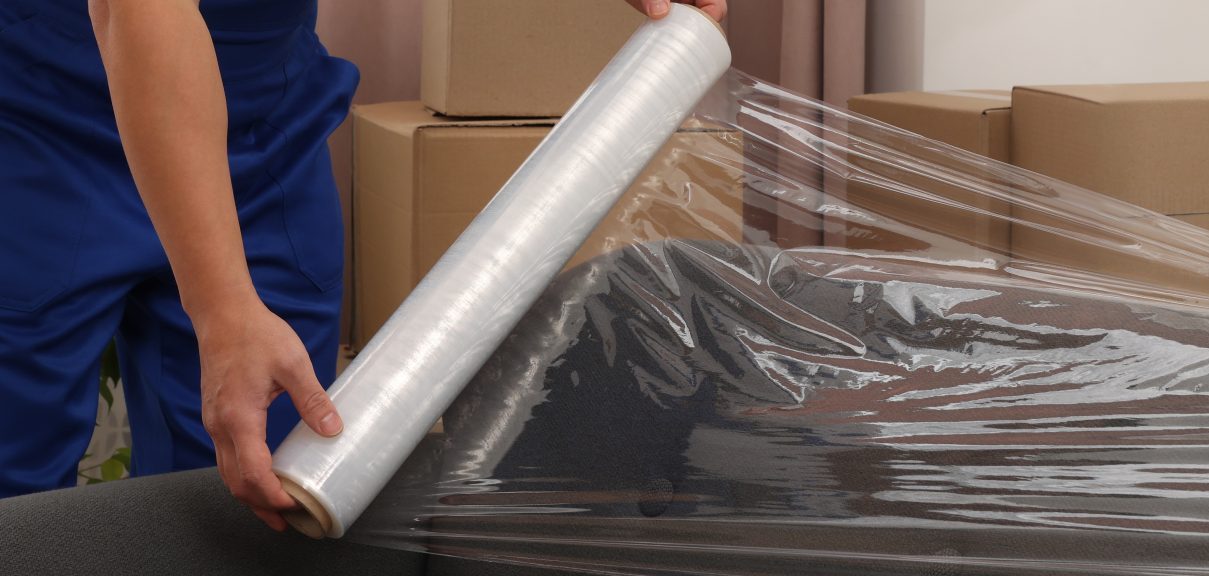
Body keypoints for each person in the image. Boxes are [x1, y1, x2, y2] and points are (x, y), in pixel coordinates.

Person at [0, 0, 726, 531]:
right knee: (14, 481)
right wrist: (224, 309)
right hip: (43, 126)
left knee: (265, 490)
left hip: (262, 125)